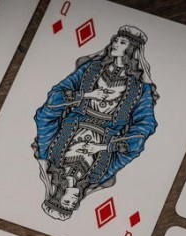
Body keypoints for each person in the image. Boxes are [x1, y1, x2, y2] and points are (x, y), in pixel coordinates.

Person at [33, 25, 158, 220]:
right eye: (116, 40)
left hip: (79, 122)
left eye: (121, 42)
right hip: (104, 135)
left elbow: (146, 124)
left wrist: (84, 96)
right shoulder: (98, 175)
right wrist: (102, 146)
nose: (115, 43)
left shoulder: (51, 157)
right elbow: (134, 147)